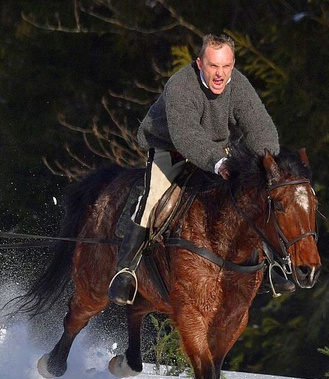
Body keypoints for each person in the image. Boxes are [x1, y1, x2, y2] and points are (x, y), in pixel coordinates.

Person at [108, 33, 294, 305]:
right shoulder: (181, 85)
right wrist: (217, 162)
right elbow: (186, 135)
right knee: (153, 198)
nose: (220, 74)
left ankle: (273, 267)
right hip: (171, 147)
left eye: (226, 67)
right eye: (213, 66)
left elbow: (259, 125)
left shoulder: (238, 84)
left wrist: (267, 162)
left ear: (232, 65)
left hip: (218, 149)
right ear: (199, 63)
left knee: (254, 196)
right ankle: (125, 272)